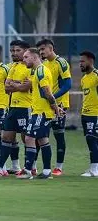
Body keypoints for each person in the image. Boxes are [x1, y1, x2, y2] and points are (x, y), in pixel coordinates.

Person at [0, 40, 31, 177]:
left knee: (27, 139)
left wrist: (15, 85)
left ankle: (30, 167)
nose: (14, 53)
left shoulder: (31, 68)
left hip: (26, 107)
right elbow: (6, 87)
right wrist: (18, 85)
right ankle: (0, 168)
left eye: (17, 50)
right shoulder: (13, 67)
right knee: (7, 137)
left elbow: (26, 87)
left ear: (26, 51)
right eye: (12, 51)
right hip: (12, 107)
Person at [17, 47, 60, 179]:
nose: (23, 60)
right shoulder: (38, 71)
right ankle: (47, 171)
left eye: (26, 57)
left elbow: (46, 91)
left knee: (29, 138)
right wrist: (55, 106)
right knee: (43, 140)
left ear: (35, 57)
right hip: (41, 111)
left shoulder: (41, 71)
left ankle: (28, 170)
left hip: (41, 112)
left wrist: (55, 106)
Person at [36, 39, 71, 176]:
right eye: (39, 50)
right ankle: (34, 167)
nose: (41, 52)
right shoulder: (43, 64)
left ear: (50, 48)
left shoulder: (61, 62)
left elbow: (67, 85)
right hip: (45, 105)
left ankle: (59, 167)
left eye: (43, 49)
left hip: (59, 104)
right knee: (41, 134)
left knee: (58, 135)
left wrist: (53, 98)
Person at [79, 51, 98, 177]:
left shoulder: (97, 76)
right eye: (80, 61)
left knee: (92, 140)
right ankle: (93, 168)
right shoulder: (84, 78)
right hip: (85, 114)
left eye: (83, 61)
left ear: (91, 61)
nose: (80, 64)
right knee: (90, 140)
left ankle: (95, 169)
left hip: (95, 114)